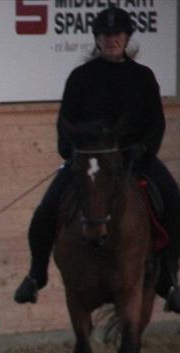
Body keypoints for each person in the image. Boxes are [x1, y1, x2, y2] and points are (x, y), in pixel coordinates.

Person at [13, 6, 180, 313]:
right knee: (46, 210)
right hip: (89, 162)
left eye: (116, 35)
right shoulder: (80, 78)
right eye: (105, 36)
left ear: (126, 38)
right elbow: (65, 122)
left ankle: (169, 279)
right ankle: (36, 275)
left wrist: (143, 149)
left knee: (174, 201)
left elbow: (156, 123)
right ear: (97, 40)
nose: (111, 41)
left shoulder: (142, 77)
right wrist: (71, 150)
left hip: (133, 159)